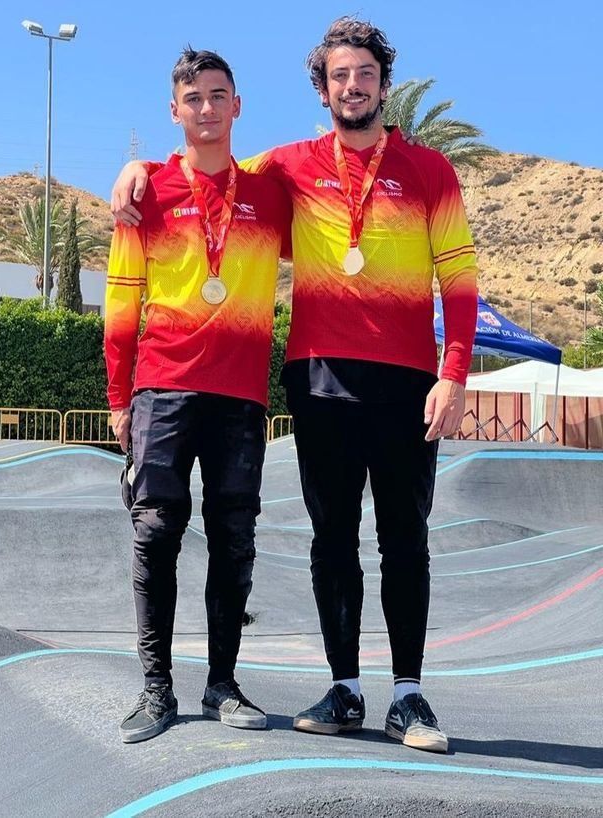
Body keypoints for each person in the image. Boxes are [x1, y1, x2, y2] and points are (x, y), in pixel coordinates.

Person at [111, 17, 478, 753]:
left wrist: (455, 373)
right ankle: (345, 688)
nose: (353, 86)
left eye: (365, 74)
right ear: (322, 87)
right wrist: (139, 171)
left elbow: (460, 281)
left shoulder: (433, 170)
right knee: (332, 539)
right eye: (339, 76)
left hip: (408, 379)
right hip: (318, 379)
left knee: (406, 539)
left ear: (383, 81)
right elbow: (213, 173)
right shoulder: (286, 169)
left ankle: (409, 695)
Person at [104, 47, 290, 743]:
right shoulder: (146, 192)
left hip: (241, 397)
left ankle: (222, 685)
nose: (207, 109)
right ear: (174, 111)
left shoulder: (271, 196)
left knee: (235, 540)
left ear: (237, 106)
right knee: (154, 535)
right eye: (194, 98)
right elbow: (121, 304)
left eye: (219, 96)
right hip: (163, 389)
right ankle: (156, 690)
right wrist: (120, 399)